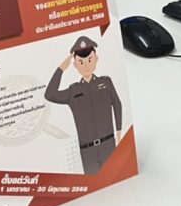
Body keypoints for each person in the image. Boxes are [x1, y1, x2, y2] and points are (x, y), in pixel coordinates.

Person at [45, 36, 123, 175]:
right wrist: (61, 68)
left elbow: (117, 104)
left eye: (89, 60)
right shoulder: (73, 91)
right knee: (95, 184)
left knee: (116, 178)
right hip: (88, 152)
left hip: (109, 145)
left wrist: (119, 133)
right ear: (75, 65)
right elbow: (50, 95)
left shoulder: (106, 83)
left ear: (96, 59)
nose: (86, 65)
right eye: (81, 62)